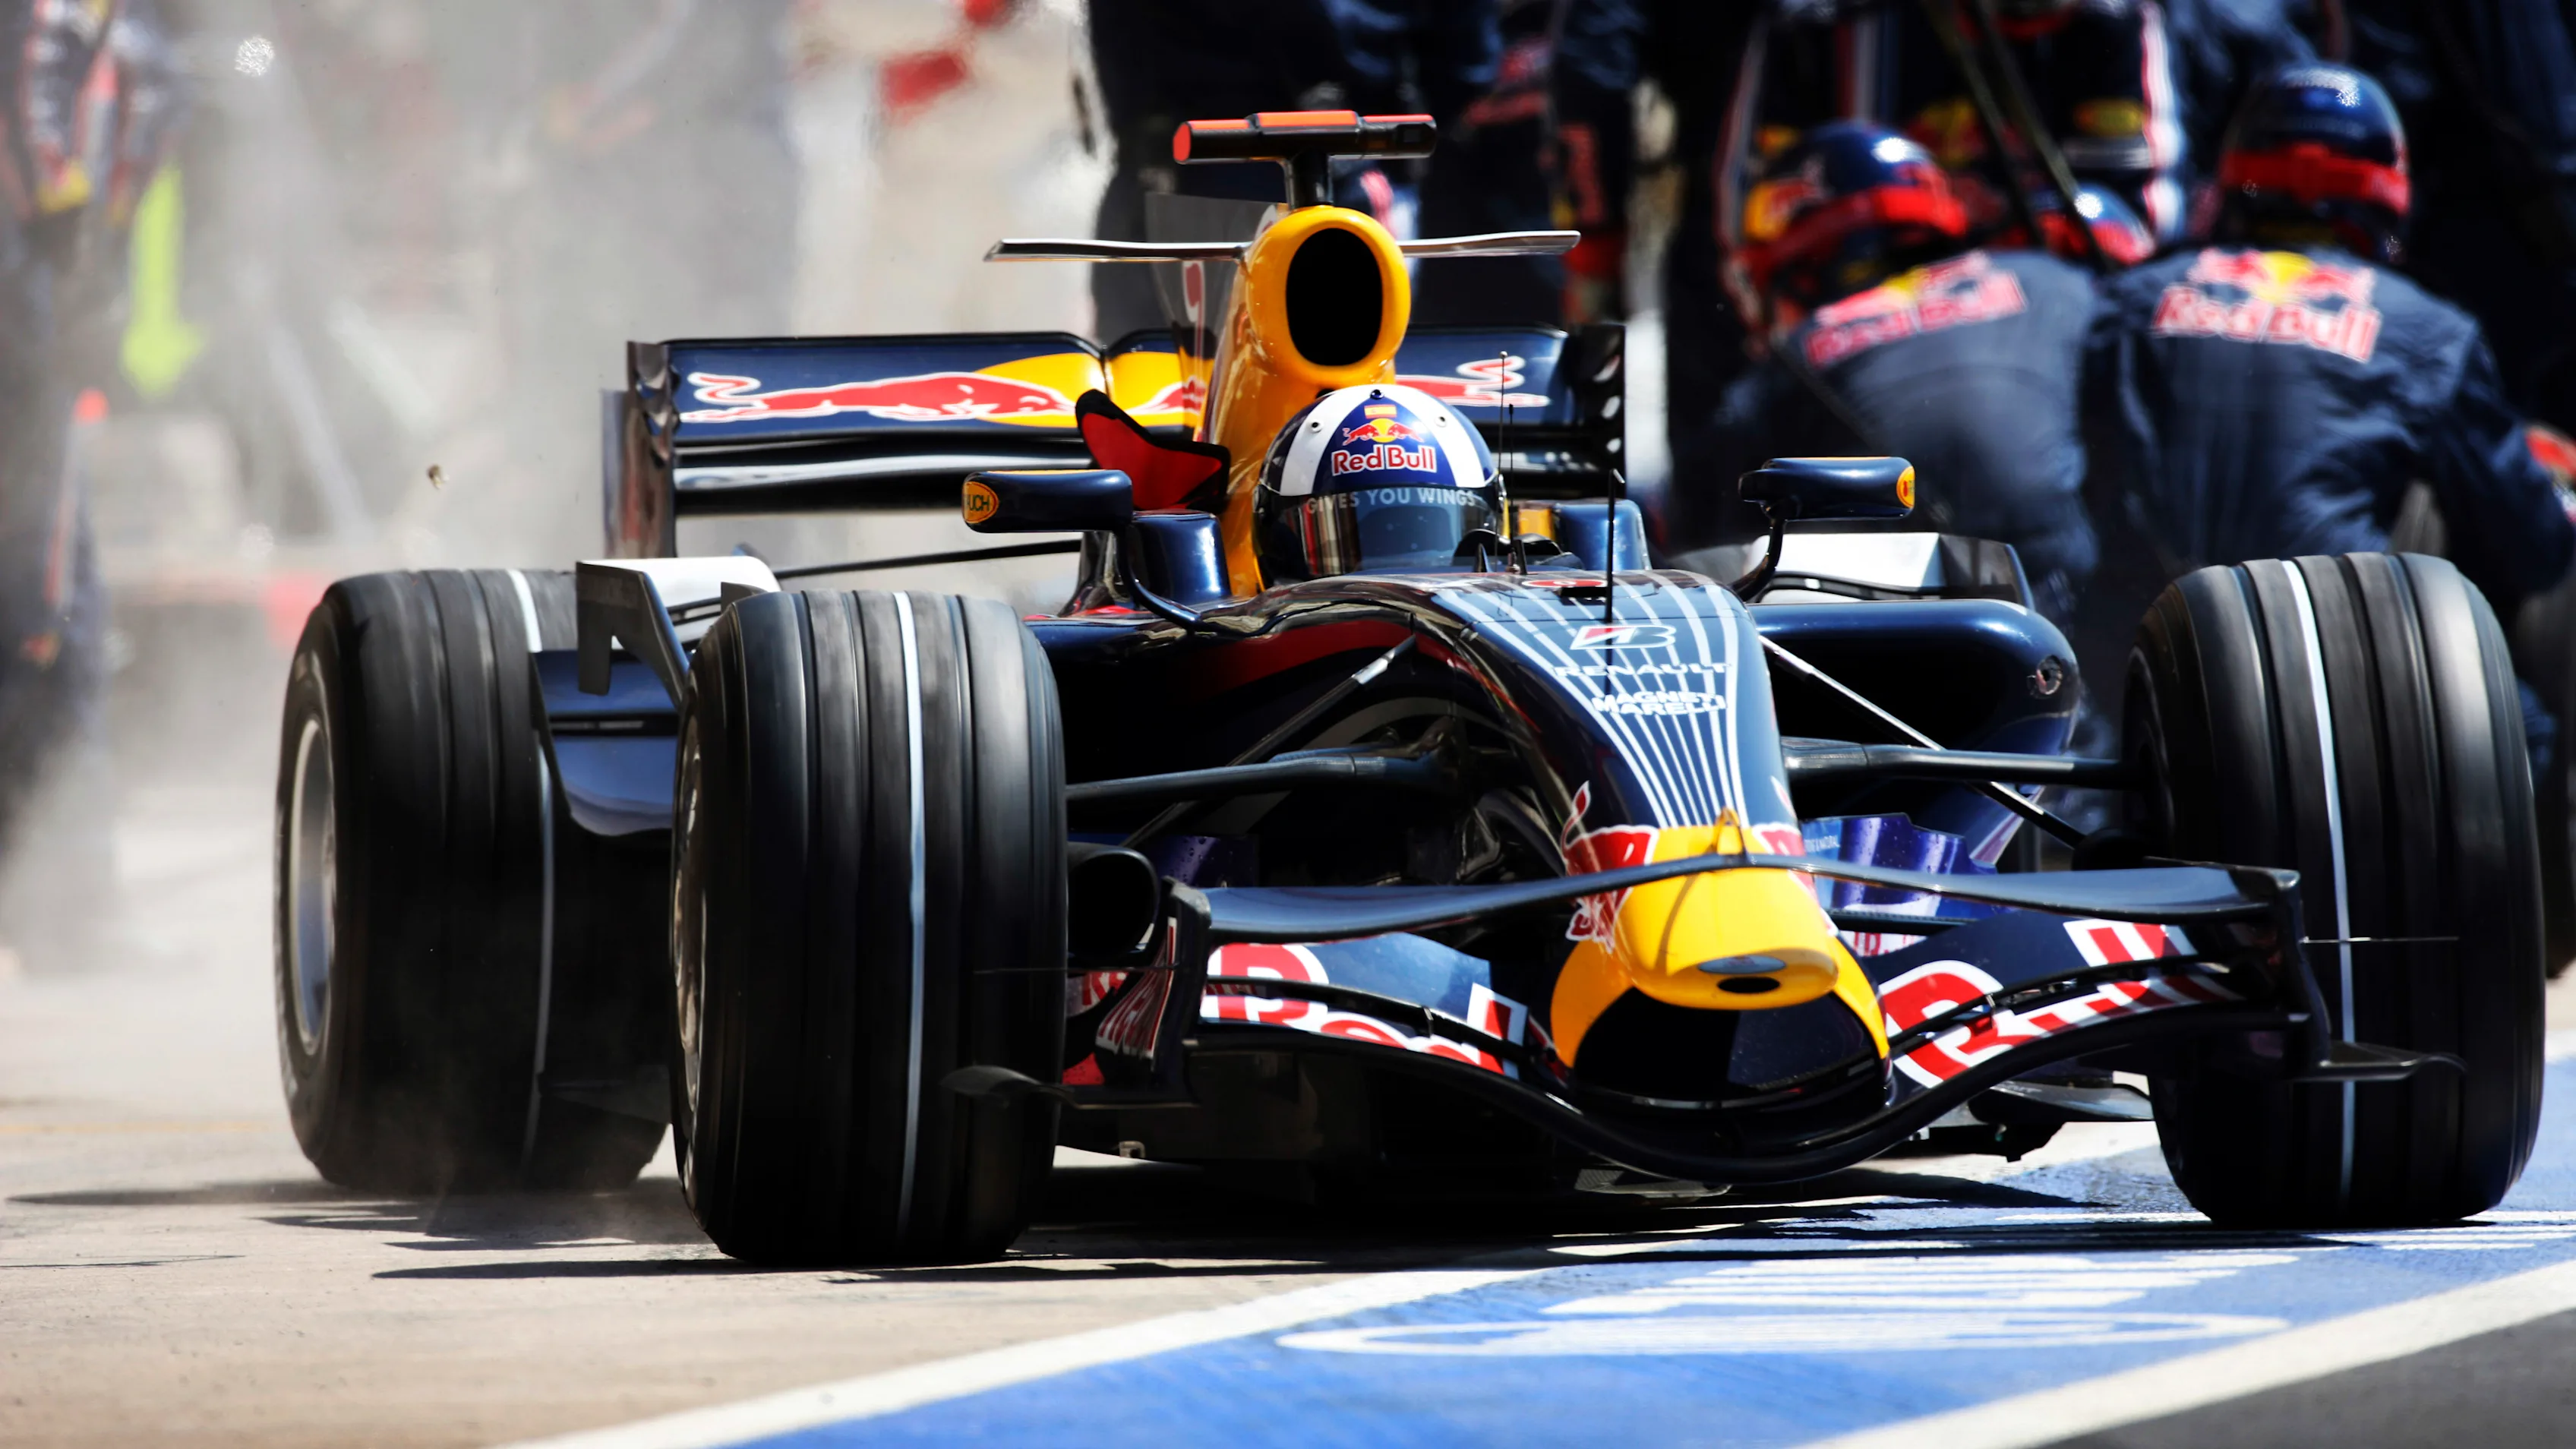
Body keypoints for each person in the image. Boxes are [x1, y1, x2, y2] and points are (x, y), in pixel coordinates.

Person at [2082, 63, 2576, 683]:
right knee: (2525, 730)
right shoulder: (2427, 332)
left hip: (2128, 661)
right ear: (2385, 192)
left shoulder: (2131, 299)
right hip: (2332, 677)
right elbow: (2535, 550)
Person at [1690, 122, 2102, 623]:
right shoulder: (2051, 281)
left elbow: (1716, 556)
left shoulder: (1795, 358)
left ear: (1800, 254)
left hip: (1904, 618)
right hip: (2089, 578)